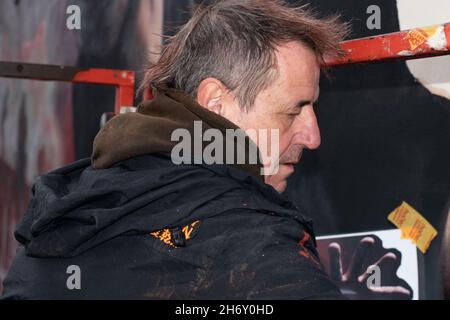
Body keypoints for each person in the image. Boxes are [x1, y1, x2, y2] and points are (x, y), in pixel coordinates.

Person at [2, 0, 349, 299]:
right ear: (217, 103)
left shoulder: (65, 213)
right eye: (293, 110)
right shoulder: (250, 241)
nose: (312, 136)